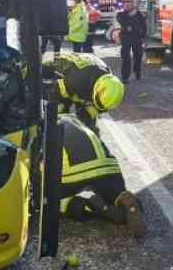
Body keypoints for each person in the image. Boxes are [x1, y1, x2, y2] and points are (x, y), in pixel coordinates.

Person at [43, 52, 146, 237]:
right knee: (111, 186)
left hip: (74, 169)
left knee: (50, 199)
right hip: (106, 164)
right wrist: (92, 135)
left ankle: (89, 205)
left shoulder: (104, 80)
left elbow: (57, 114)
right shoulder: (77, 80)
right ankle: (122, 198)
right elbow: (60, 97)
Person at [115, 0, 147, 83]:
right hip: (126, 38)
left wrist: (143, 35)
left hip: (137, 38)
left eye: (129, 5)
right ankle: (125, 77)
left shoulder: (139, 14)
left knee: (138, 57)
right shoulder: (121, 14)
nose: (127, 6)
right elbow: (123, 21)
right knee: (126, 58)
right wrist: (131, 22)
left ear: (133, 5)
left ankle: (137, 72)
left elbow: (144, 25)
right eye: (126, 5)